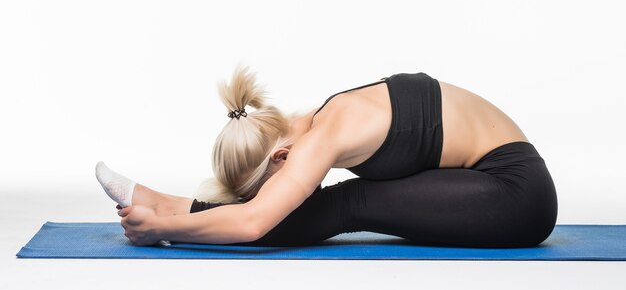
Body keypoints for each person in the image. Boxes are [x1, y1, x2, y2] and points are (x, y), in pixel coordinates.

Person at [95, 64, 558, 248]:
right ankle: (165, 199)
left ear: (280, 158)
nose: (279, 191)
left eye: (269, 186)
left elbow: (256, 221)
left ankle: (167, 207)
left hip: (517, 199)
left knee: (347, 204)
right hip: (495, 183)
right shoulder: (324, 117)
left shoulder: (326, 135)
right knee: (348, 199)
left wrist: (164, 229)